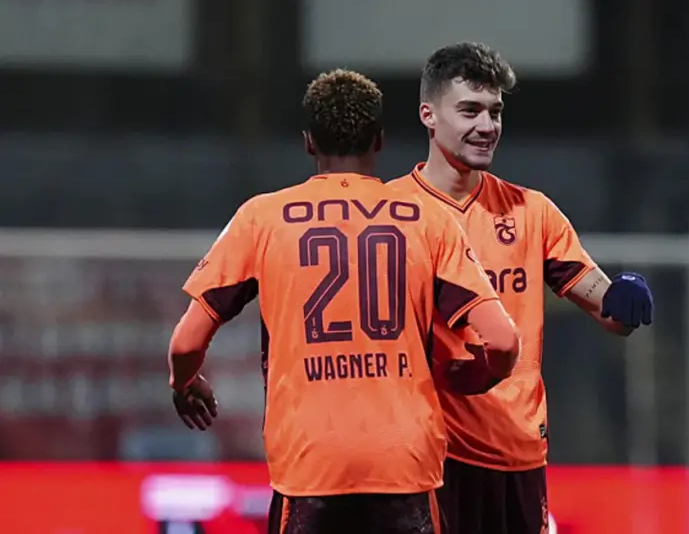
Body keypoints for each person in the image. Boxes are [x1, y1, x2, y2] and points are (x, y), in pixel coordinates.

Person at [166, 68, 521, 534]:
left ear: (309, 142)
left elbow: (186, 343)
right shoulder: (429, 220)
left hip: (310, 467)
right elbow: (503, 341)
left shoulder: (261, 218)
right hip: (404, 464)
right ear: (379, 140)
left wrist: (185, 382)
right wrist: (476, 376)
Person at [387, 43, 655, 534]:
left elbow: (608, 311)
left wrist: (626, 297)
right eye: (469, 110)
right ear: (428, 115)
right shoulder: (388, 215)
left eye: (495, 112)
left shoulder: (531, 213)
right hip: (427, 457)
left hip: (518, 454)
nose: (487, 126)